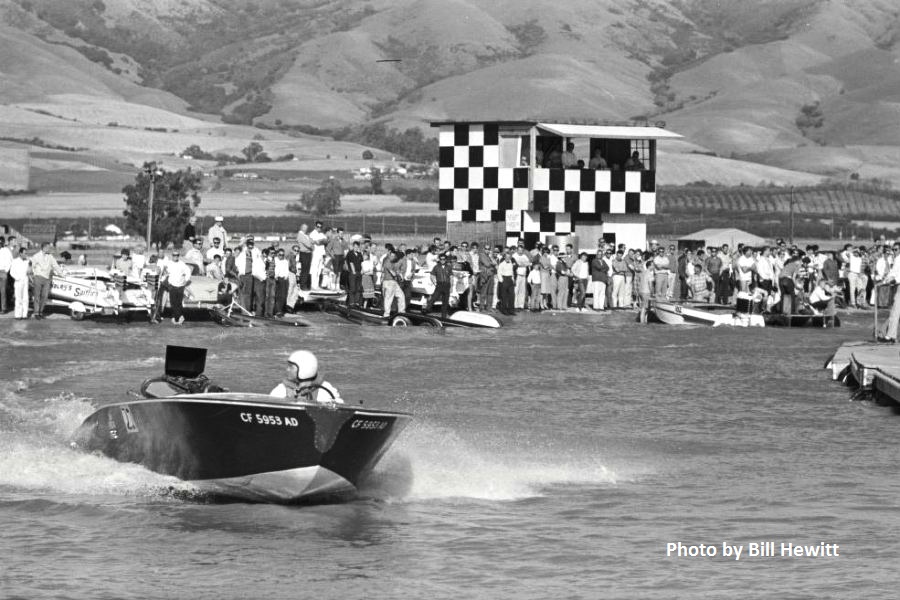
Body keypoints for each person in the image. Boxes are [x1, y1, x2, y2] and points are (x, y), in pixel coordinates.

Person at [270, 350, 342, 404]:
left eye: (291, 367)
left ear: (304, 370)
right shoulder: (281, 390)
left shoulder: (324, 390)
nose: (287, 369)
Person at [31, 242, 66, 319]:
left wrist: (61, 274)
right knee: (37, 296)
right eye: (48, 248)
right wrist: (35, 275)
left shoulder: (50, 256)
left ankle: (41, 311)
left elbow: (55, 265)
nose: (49, 249)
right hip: (38, 277)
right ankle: (36, 313)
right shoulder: (36, 256)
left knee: (45, 296)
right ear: (43, 248)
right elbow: (32, 266)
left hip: (47, 279)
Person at [164, 249, 192, 325]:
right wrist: (167, 283)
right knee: (173, 303)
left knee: (179, 303)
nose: (175, 257)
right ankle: (177, 317)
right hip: (172, 285)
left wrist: (186, 280)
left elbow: (188, 272)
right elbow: (165, 273)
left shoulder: (182, 264)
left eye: (177, 255)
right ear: (172, 256)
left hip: (180, 286)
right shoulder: (168, 263)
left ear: (178, 256)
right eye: (174, 255)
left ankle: (178, 317)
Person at [424, 254, 453, 318]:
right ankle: (426, 310)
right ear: (439, 260)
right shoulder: (436, 267)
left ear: (446, 260)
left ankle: (443, 317)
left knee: (445, 302)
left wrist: (451, 286)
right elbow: (432, 275)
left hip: (447, 285)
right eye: (441, 259)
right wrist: (434, 282)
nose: (442, 260)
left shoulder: (449, 267)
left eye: (444, 259)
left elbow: (451, 277)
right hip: (439, 284)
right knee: (434, 298)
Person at [381, 249, 406, 317]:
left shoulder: (393, 262)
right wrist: (398, 274)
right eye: (392, 255)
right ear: (390, 255)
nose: (393, 257)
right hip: (388, 282)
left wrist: (399, 274)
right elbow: (392, 272)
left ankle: (402, 312)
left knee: (401, 296)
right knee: (389, 298)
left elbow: (396, 272)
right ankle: (386, 314)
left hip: (393, 282)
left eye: (394, 256)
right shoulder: (387, 261)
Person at [10, 246, 30, 319]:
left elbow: (29, 271)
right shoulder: (15, 261)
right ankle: (18, 315)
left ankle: (24, 314)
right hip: (18, 281)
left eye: (26, 253)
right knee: (18, 298)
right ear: (20, 253)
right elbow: (12, 272)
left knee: (26, 298)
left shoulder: (27, 261)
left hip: (25, 280)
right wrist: (17, 278)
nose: (26, 255)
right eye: (24, 253)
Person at [309, 221, 327, 289]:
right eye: (318, 226)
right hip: (315, 253)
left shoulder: (322, 234)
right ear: (315, 226)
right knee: (314, 270)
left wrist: (320, 241)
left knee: (319, 270)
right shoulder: (312, 233)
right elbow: (313, 241)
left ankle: (316, 285)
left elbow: (325, 240)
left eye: (320, 227)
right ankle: (313, 285)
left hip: (321, 253)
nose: (319, 228)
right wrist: (320, 241)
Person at [296, 223, 314, 290]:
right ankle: (303, 285)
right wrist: (312, 246)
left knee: (307, 270)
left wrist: (311, 244)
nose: (306, 229)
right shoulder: (300, 235)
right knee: (304, 270)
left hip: (308, 254)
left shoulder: (306, 235)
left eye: (307, 228)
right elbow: (308, 244)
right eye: (305, 228)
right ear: (302, 228)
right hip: (304, 253)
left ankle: (305, 285)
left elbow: (312, 241)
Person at [345, 241, 363, 307]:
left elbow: (362, 263)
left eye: (357, 247)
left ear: (358, 247)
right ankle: (351, 302)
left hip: (359, 272)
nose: (356, 248)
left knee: (358, 288)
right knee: (352, 288)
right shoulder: (350, 253)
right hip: (353, 273)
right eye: (354, 246)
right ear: (353, 246)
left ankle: (357, 302)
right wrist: (353, 271)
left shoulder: (359, 254)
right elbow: (350, 262)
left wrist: (362, 271)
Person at [0, 236, 11, 313]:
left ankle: (3, 308)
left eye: (1, 242)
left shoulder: (6, 250)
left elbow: (10, 261)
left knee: (3, 291)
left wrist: (6, 270)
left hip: (2, 272)